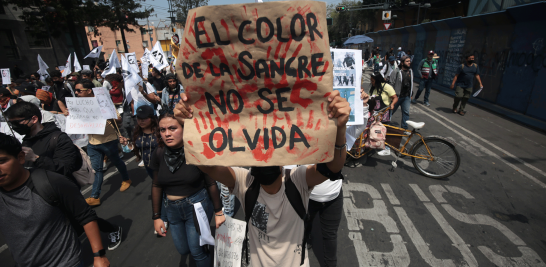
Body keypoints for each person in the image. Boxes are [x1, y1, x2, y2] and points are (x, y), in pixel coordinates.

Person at [172, 90, 350, 267]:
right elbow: (206, 165)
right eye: (260, 156)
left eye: (272, 155)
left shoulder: (298, 179)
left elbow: (332, 168)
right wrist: (190, 128)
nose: (266, 161)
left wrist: (340, 129)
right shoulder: (244, 182)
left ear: (284, 159)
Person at [0, 133, 110, 267]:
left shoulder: (50, 182)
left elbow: (85, 216)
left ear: (21, 157)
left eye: (2, 161)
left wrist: (99, 256)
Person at [151, 112, 225, 266]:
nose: (167, 134)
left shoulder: (196, 150)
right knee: (183, 249)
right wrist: (157, 217)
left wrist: (219, 212)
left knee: (197, 251)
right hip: (172, 210)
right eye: (163, 130)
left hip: (196, 206)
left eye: (172, 128)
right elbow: (156, 185)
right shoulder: (158, 153)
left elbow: (211, 183)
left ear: (184, 128)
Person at [74, 79, 132, 206]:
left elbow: (119, 120)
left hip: (108, 141)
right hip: (92, 142)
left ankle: (126, 179)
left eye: (79, 90)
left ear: (89, 91)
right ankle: (95, 196)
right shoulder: (79, 105)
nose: (76, 93)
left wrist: (107, 115)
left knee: (117, 161)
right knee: (97, 169)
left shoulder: (104, 102)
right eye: (75, 91)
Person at [369, 72, 398, 156]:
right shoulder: (373, 88)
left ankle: (387, 148)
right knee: (374, 129)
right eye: (371, 81)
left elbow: (395, 97)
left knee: (383, 130)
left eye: (373, 81)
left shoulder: (387, 87)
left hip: (384, 112)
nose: (372, 82)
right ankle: (374, 144)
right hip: (375, 113)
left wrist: (392, 104)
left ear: (377, 80)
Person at [391, 56, 414, 129]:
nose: (409, 62)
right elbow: (391, 84)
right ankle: (384, 125)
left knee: (406, 113)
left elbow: (411, 83)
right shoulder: (396, 71)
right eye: (407, 61)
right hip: (397, 97)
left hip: (406, 96)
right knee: (390, 112)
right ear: (402, 62)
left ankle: (405, 128)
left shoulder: (410, 71)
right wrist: (392, 96)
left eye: (409, 61)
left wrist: (411, 94)